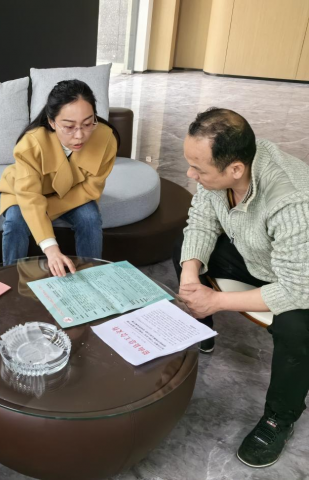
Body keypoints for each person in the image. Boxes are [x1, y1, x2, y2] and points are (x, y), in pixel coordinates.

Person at [173, 107, 309, 468]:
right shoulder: (226, 163)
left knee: (298, 330)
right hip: (255, 255)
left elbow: (296, 289)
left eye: (198, 170)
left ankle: (279, 418)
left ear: (235, 169)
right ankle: (201, 326)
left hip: (299, 279)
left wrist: (217, 300)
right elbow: (201, 221)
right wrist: (190, 281)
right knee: (186, 252)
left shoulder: (292, 200)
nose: (190, 175)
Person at [0, 79, 118, 277]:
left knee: (90, 217)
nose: (80, 135)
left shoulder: (106, 139)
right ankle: (11, 277)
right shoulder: (30, 144)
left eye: (88, 124)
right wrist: (50, 247)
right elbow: (29, 197)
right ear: (52, 122)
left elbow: (90, 189)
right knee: (16, 220)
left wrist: (45, 210)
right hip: (22, 193)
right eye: (69, 127)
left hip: (71, 194)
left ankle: (93, 276)